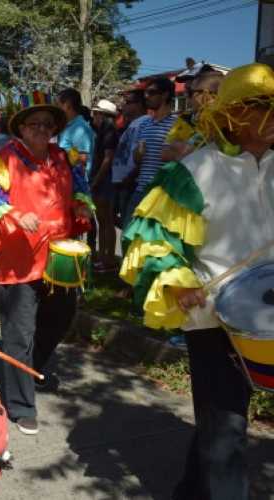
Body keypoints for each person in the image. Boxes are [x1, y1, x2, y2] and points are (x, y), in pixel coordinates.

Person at [120, 63, 274, 500]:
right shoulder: (196, 170)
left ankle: (190, 489)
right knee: (227, 427)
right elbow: (152, 236)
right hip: (214, 320)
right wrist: (179, 281)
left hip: (268, 317)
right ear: (236, 114)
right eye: (265, 108)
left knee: (224, 418)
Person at [0, 93, 92, 436]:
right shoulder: (2, 158)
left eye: (47, 124)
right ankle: (21, 404)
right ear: (21, 127)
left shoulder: (63, 157)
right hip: (20, 261)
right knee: (18, 333)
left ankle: (30, 367)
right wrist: (13, 214)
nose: (41, 129)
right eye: (33, 123)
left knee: (62, 317)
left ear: (55, 129)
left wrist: (81, 206)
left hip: (58, 257)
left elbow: (79, 190)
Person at [123, 77, 177, 224]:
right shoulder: (145, 124)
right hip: (141, 190)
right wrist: (138, 153)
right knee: (127, 236)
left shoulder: (177, 124)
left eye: (152, 93)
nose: (146, 96)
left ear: (165, 95)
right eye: (146, 93)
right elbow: (136, 159)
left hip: (162, 193)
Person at [162, 68, 226, 162]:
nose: (186, 96)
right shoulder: (185, 119)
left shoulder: (231, 123)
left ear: (207, 93)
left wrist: (190, 153)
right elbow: (164, 152)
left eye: (189, 91)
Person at [89, 99, 120, 271]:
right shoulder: (102, 130)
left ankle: (108, 259)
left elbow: (108, 158)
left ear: (104, 115)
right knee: (103, 221)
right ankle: (104, 257)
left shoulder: (109, 129)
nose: (94, 117)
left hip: (105, 181)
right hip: (103, 180)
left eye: (97, 113)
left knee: (106, 220)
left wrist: (96, 181)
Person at [112, 89, 150, 227]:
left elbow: (141, 155)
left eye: (128, 102)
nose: (124, 106)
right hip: (123, 184)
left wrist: (128, 179)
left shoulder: (144, 123)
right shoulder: (133, 124)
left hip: (131, 184)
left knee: (129, 230)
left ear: (139, 104)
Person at [56, 88, 96, 177]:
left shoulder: (80, 128)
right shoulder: (68, 126)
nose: (56, 108)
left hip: (76, 183)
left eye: (58, 105)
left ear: (67, 105)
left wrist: (58, 154)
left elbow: (82, 159)